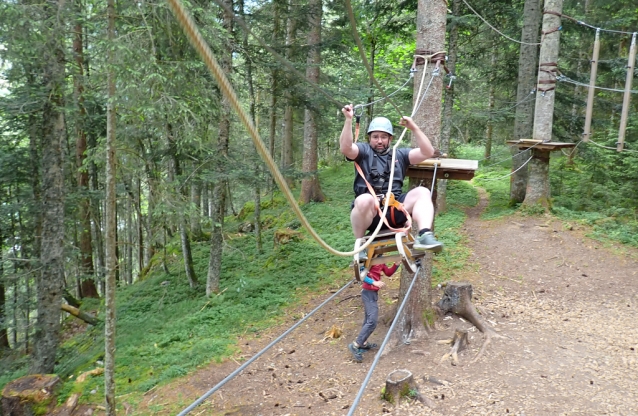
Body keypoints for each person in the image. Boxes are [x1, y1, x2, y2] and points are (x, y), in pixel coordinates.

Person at [339, 104, 442, 253]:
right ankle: (360, 244)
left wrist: (414, 128)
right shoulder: (363, 151)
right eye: (375, 137)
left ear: (390, 138)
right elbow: (346, 148)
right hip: (370, 215)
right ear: (369, 138)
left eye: (383, 137)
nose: (379, 141)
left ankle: (425, 234)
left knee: (423, 192)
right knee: (363, 199)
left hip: (394, 211)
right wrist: (348, 120)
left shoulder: (399, 154)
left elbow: (428, 151)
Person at [348, 262, 399, 362]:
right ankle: (356, 345)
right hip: (368, 293)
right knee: (372, 321)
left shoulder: (382, 260)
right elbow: (360, 274)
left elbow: (388, 273)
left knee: (368, 320)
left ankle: (363, 343)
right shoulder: (369, 259)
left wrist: (396, 265)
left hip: (373, 294)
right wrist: (374, 282)